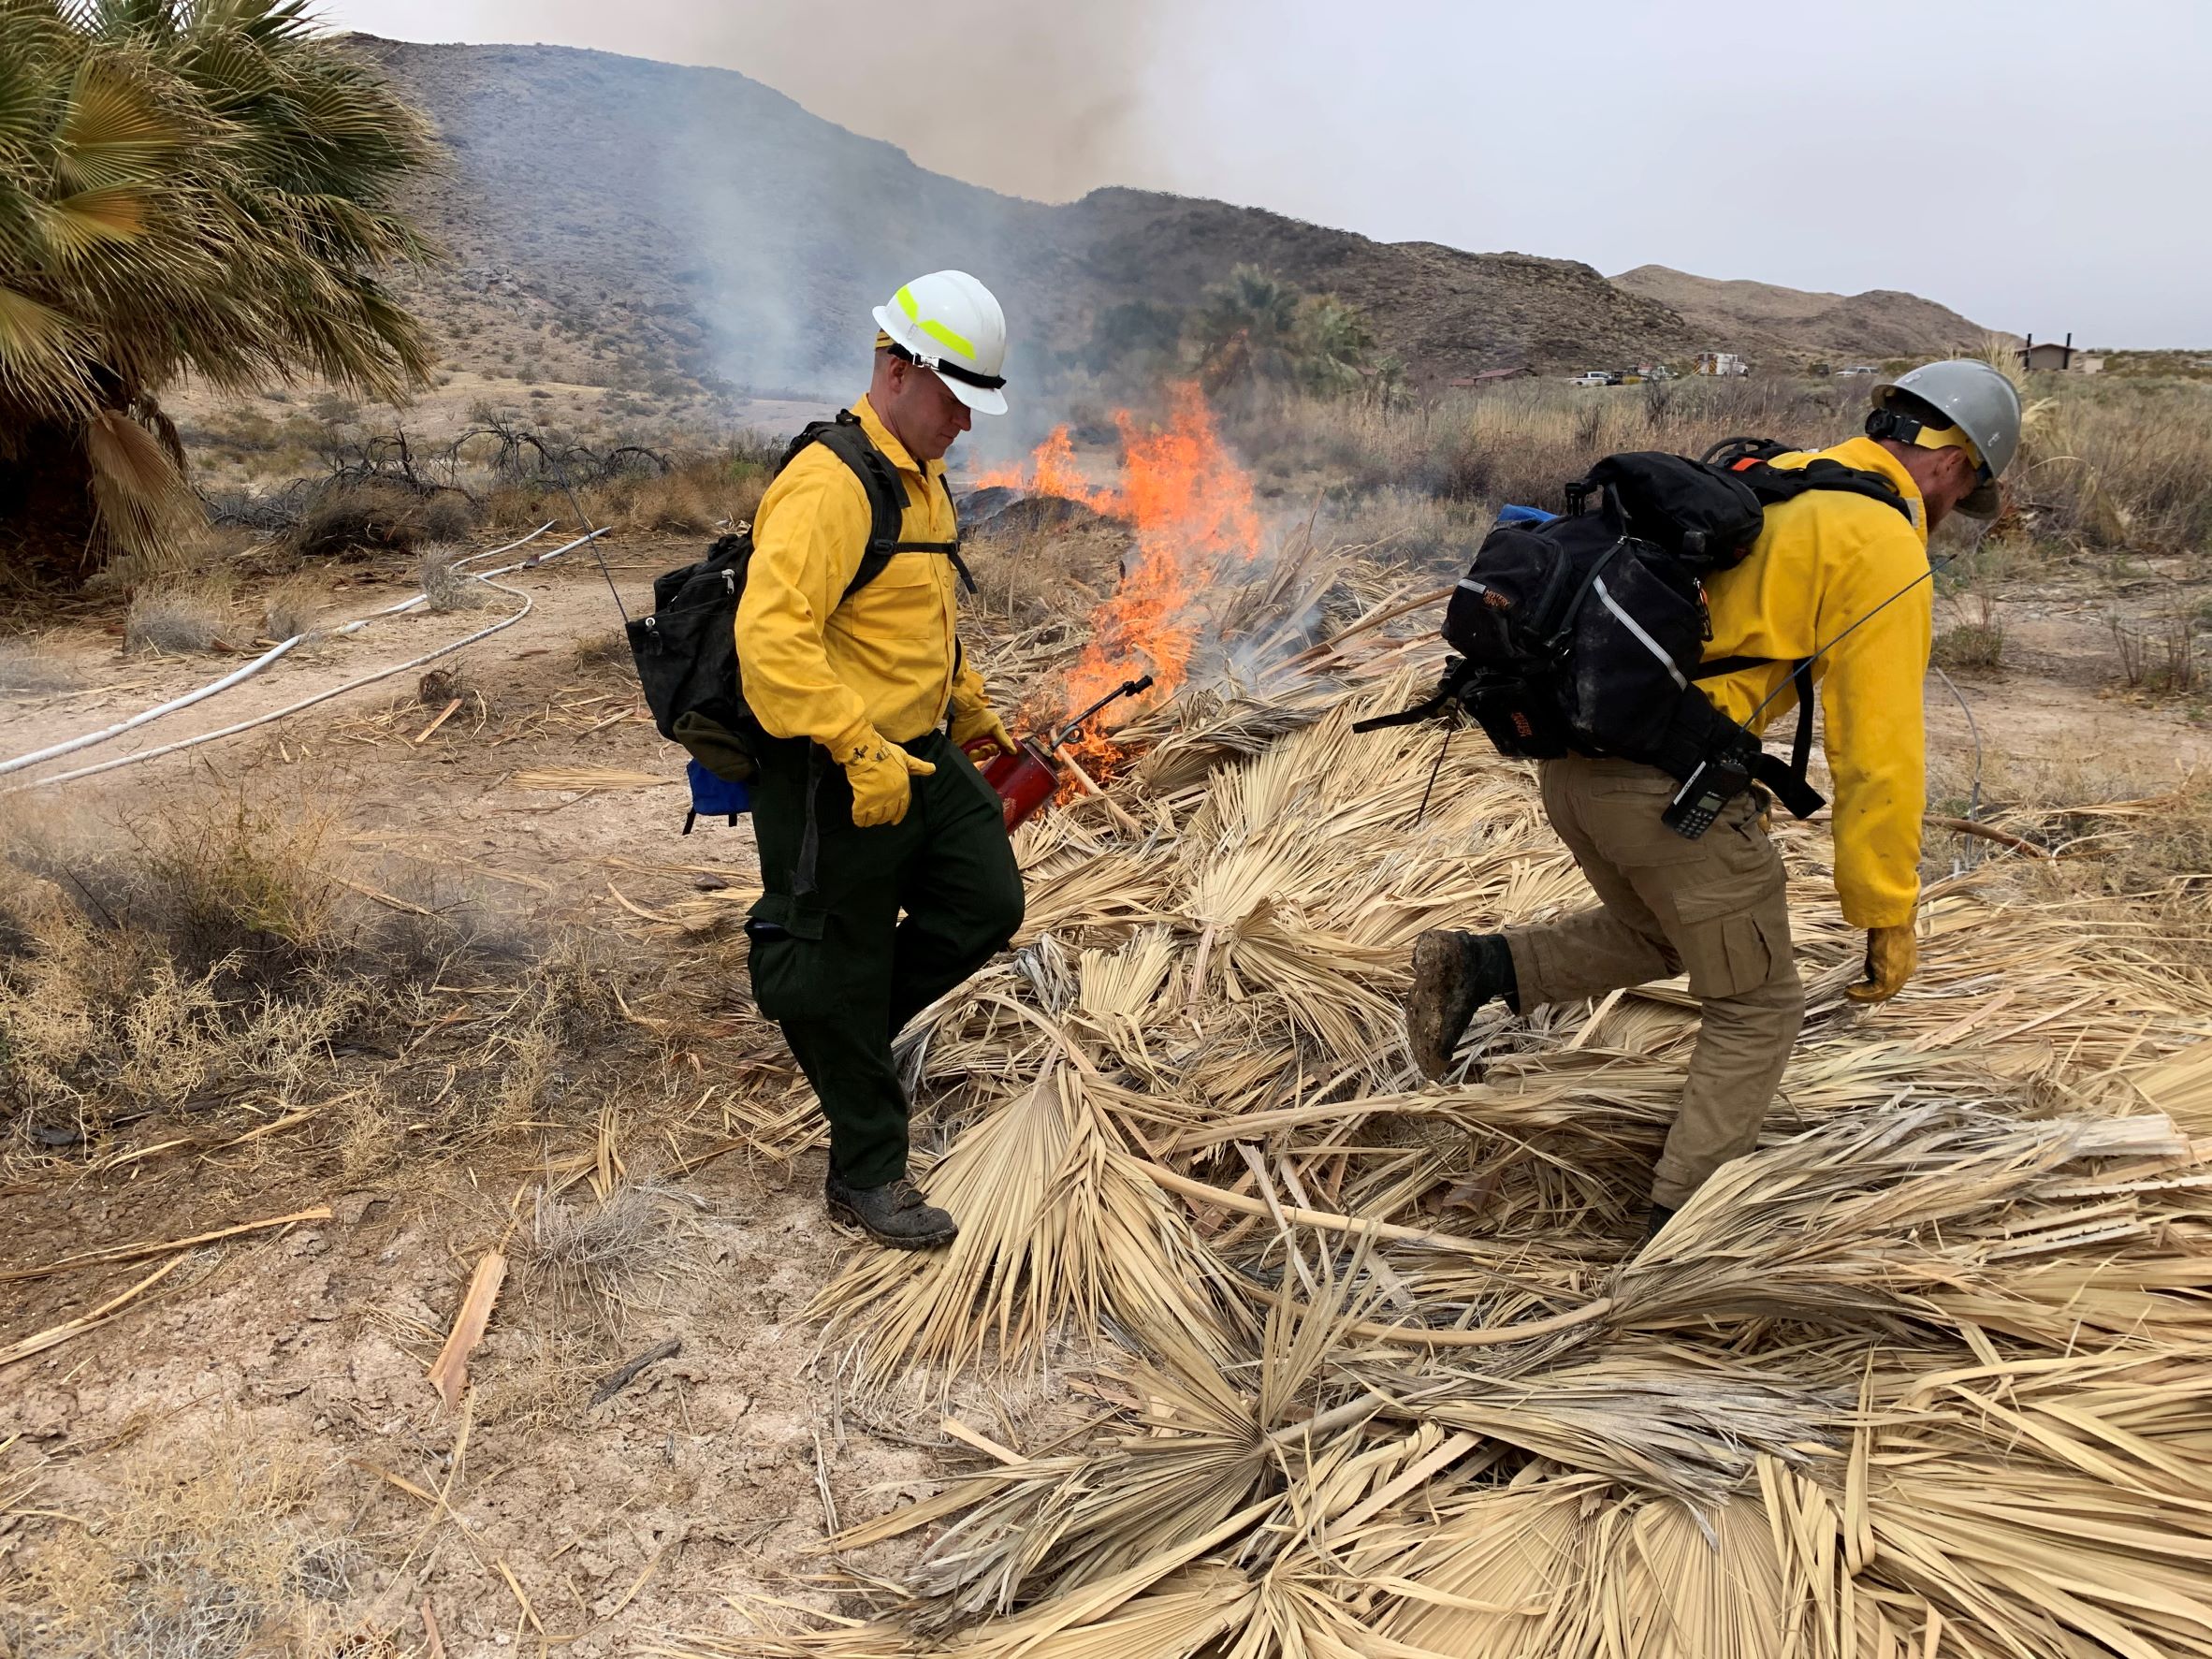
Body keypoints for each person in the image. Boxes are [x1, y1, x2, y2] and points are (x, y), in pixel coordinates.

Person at [1404, 359, 2024, 1240]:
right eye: (1966, 491)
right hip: (1668, 792)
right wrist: (1886, 909)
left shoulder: (1772, 480)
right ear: (1953, 459)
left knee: (1660, 933)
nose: (1952, 511)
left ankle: (1480, 969)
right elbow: (1879, 752)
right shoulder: (1880, 541)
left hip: (1573, 768)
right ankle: (1683, 1234)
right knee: (1759, 1006)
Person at [735, 270, 1026, 1250]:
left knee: (986, 901)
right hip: (833, 772)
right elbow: (773, 646)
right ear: (897, 373)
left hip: (923, 757)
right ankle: (866, 1169)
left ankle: (842, 1031)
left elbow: (919, 618)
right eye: (956, 401)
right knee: (832, 955)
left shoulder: (921, 473)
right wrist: (858, 747)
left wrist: (969, 703)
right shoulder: (828, 484)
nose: (967, 426)